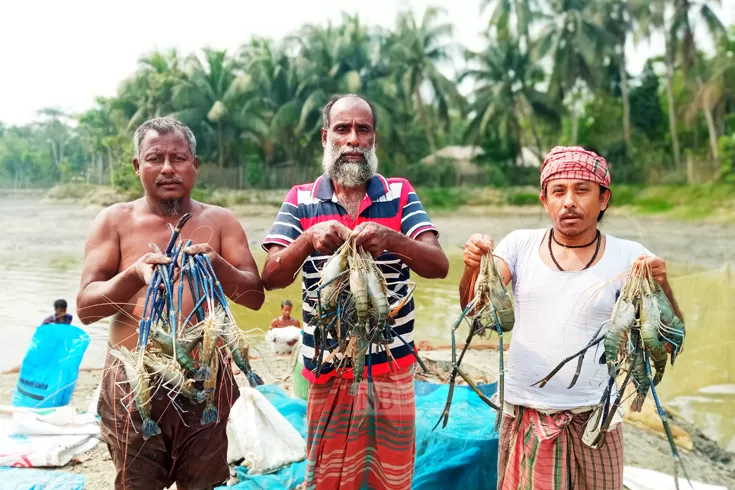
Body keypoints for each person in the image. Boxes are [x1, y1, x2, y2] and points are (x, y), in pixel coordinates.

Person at [460, 146, 684, 490]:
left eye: (582, 190)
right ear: (544, 200)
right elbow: (476, 311)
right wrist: (473, 267)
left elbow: (668, 338)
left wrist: (663, 284)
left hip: (599, 419)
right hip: (527, 413)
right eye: (558, 191)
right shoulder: (519, 245)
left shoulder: (632, 256)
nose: (569, 202)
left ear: (603, 199)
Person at [261, 94, 449, 490]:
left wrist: (393, 240)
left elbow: (438, 264)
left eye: (362, 130)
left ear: (373, 140)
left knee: (391, 477)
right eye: (343, 129)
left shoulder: (398, 193)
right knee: (327, 477)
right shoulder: (300, 199)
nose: (352, 140)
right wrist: (308, 239)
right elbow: (272, 277)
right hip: (325, 372)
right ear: (326, 137)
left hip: (392, 372)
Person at [76, 117, 264, 490]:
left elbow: (254, 297)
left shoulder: (221, 221)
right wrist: (133, 275)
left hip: (206, 378)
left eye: (178, 158)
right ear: (137, 166)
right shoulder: (114, 220)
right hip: (134, 381)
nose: (167, 168)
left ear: (194, 164)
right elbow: (86, 308)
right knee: (137, 483)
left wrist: (218, 265)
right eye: (154, 158)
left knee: (204, 483)